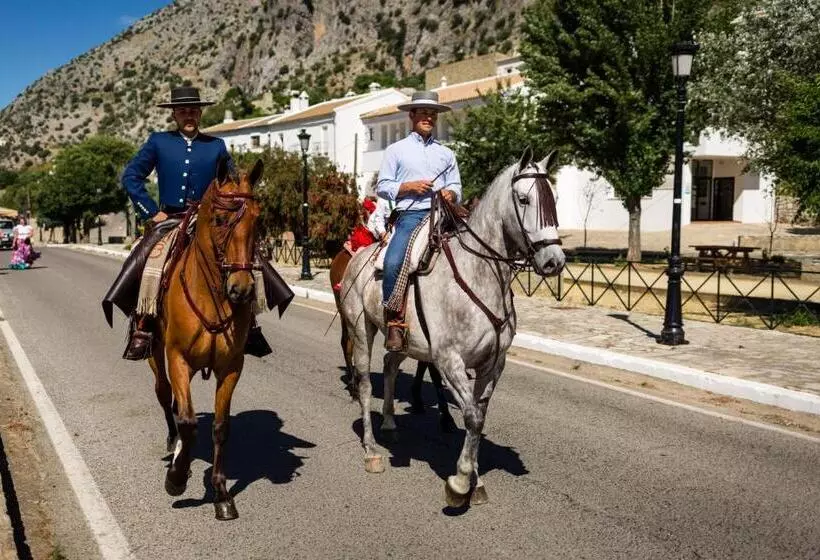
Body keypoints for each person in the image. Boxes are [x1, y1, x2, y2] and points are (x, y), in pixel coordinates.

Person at [102, 86, 277, 360]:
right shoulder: (158, 142)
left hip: (210, 219)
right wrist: (151, 211)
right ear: (174, 114)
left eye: (193, 110)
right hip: (170, 218)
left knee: (247, 258)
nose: (189, 115)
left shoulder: (215, 145)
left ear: (200, 113)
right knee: (147, 258)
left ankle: (251, 324)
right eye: (183, 111)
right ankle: (144, 325)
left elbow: (231, 180)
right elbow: (131, 177)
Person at [376, 91, 462, 351]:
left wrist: (451, 193)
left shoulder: (446, 153)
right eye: (423, 112)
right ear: (411, 115)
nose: (428, 117)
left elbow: (457, 186)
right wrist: (408, 187)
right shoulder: (396, 150)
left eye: (432, 113)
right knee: (394, 261)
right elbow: (382, 186)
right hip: (411, 215)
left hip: (444, 214)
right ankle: (394, 320)